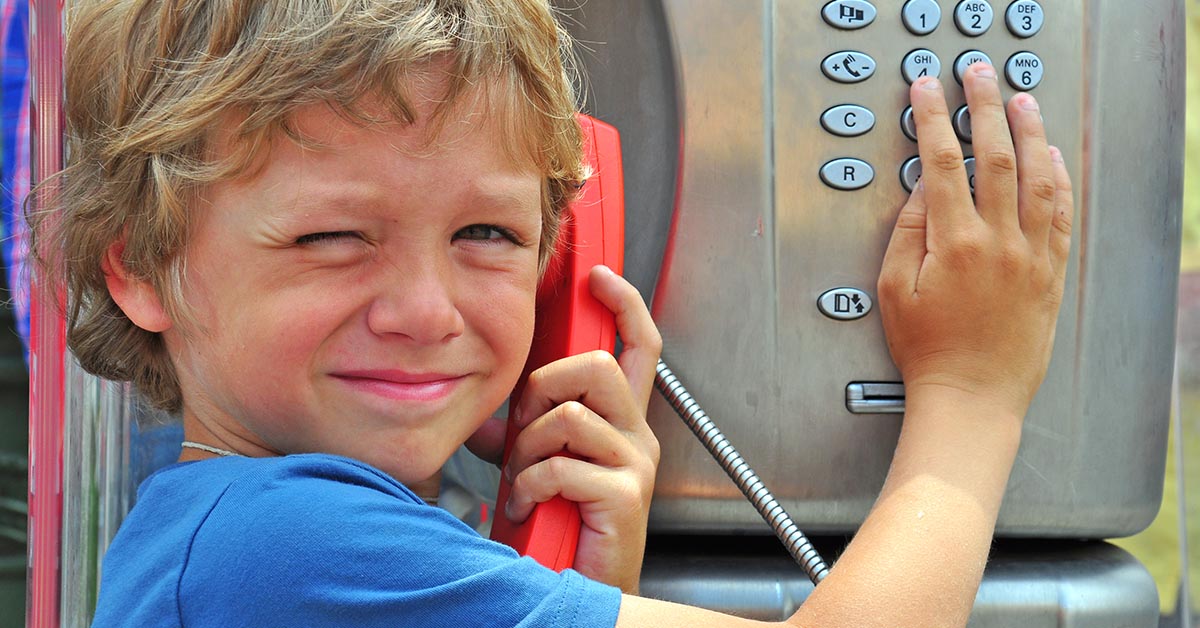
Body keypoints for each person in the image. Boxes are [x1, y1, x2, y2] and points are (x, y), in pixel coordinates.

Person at [30, 1, 1073, 627]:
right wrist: (971, 396)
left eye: (487, 234)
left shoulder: (223, 537)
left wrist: (578, 577)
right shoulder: (284, 542)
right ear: (144, 268)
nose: (424, 309)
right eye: (330, 239)